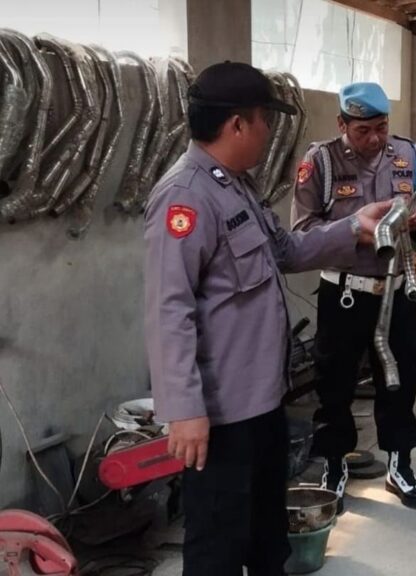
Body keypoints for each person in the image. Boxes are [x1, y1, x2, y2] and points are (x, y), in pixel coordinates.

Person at [144, 62, 392, 576]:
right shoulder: (185, 197)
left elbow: (288, 249)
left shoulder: (235, 185)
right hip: (218, 415)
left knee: (265, 539)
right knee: (217, 546)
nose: (269, 132)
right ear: (238, 124)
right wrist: (184, 410)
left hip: (261, 402)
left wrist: (353, 227)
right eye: (264, 120)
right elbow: (170, 309)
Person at [290, 82, 416, 511]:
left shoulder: (405, 153)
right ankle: (334, 463)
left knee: (402, 377)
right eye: (363, 130)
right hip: (346, 292)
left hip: (396, 291)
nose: (374, 138)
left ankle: (400, 464)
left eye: (381, 127)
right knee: (334, 382)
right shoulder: (321, 162)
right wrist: (356, 231)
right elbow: (301, 233)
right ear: (342, 124)